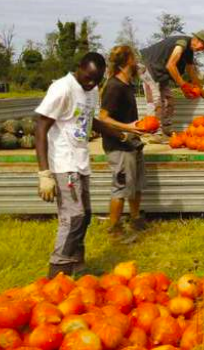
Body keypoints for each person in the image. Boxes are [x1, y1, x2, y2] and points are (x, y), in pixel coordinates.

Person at [35, 52, 125, 278]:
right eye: (87, 78)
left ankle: (77, 266)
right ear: (79, 68)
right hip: (63, 163)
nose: (91, 83)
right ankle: (57, 271)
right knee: (73, 216)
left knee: (85, 215)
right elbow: (41, 127)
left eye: (96, 79)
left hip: (81, 162)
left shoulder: (92, 91)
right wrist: (44, 173)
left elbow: (89, 120)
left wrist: (119, 134)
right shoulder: (62, 88)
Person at [98, 45, 148, 238]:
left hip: (132, 142)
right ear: (127, 60)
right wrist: (129, 128)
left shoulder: (128, 84)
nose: (136, 61)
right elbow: (103, 118)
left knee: (136, 185)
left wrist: (139, 127)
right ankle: (114, 227)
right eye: (134, 57)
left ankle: (136, 219)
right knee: (121, 187)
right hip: (118, 145)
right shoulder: (114, 86)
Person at [139, 30, 204, 141]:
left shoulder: (189, 51)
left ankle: (166, 129)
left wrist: (200, 90)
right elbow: (171, 65)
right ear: (197, 40)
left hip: (160, 72)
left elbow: (191, 70)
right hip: (148, 66)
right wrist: (183, 85)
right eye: (203, 46)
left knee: (169, 100)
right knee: (156, 99)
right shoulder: (182, 43)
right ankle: (154, 132)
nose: (202, 50)